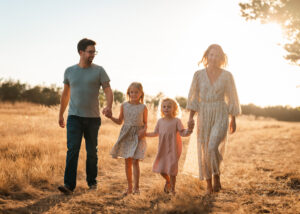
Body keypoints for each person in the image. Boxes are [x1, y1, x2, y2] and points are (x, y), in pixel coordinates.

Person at [58, 38, 113, 195]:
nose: (93, 54)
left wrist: (109, 106)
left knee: (91, 152)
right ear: (80, 52)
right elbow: (65, 94)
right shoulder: (69, 71)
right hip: (74, 117)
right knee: (72, 150)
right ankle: (69, 185)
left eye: (94, 52)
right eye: (90, 51)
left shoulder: (99, 70)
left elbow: (108, 90)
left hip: (93, 119)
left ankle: (92, 183)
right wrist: (61, 113)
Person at [186, 44, 241, 194]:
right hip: (203, 113)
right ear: (206, 56)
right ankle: (210, 184)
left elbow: (232, 98)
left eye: (217, 55)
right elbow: (193, 98)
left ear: (221, 58)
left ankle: (217, 175)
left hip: (220, 113)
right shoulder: (198, 75)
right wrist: (191, 118)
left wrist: (233, 118)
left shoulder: (227, 76)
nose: (214, 58)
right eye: (211, 54)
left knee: (211, 147)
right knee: (205, 150)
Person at [106, 82, 148, 195]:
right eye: (131, 92)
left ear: (141, 93)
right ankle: (129, 188)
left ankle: (137, 188)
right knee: (127, 161)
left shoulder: (143, 107)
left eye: (136, 92)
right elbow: (120, 121)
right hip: (126, 135)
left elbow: (145, 123)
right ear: (128, 93)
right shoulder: (124, 105)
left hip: (138, 135)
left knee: (135, 161)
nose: (133, 94)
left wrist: (143, 131)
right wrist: (110, 117)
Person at [146, 98, 194, 195]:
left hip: (173, 149)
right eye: (164, 107)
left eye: (169, 107)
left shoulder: (176, 121)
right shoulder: (160, 121)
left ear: (174, 109)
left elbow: (182, 132)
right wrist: (145, 134)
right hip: (162, 149)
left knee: (172, 171)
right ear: (161, 109)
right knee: (161, 169)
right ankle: (167, 181)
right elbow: (156, 133)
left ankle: (172, 190)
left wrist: (189, 130)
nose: (166, 108)